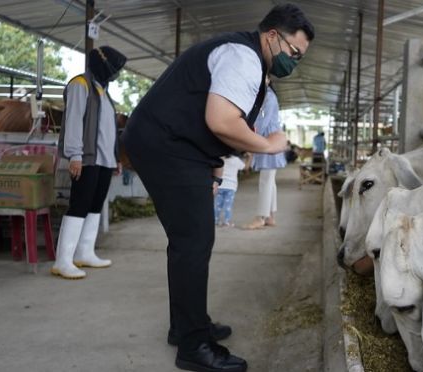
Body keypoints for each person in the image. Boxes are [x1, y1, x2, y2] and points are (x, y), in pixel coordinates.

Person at [121, 4, 313, 372]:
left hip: (177, 147)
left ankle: (187, 326)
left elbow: (208, 123)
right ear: (273, 36)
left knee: (190, 241)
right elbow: (222, 120)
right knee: (193, 242)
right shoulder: (243, 57)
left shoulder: (251, 61)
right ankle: (194, 346)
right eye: (293, 53)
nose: (294, 62)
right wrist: (270, 145)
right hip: (167, 146)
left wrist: (212, 167)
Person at [52, 46, 126, 280]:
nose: (116, 74)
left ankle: (85, 252)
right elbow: (73, 121)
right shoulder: (80, 84)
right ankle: (63, 261)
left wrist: (115, 158)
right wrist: (75, 155)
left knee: (94, 205)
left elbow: (108, 128)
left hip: (104, 159)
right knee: (79, 205)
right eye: (114, 69)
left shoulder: (103, 90)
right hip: (86, 158)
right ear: (102, 65)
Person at [243, 82, 287, 230]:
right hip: (271, 138)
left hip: (269, 139)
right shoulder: (267, 95)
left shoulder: (267, 96)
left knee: (265, 181)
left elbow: (263, 121)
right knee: (269, 181)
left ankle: (260, 217)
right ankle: (269, 216)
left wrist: (250, 139)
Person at [214, 154, 246, 227]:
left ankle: (215, 220)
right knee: (228, 205)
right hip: (230, 186)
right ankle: (226, 222)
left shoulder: (220, 159)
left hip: (220, 185)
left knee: (218, 205)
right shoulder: (236, 159)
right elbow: (245, 167)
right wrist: (250, 157)